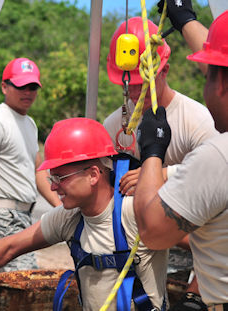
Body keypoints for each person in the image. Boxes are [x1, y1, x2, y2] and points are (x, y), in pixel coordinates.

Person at [0, 117, 169, 311]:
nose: (53, 186)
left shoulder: (135, 213)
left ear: (93, 175)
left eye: (60, 177)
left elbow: (197, 240)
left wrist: (192, 297)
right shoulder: (69, 217)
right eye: (52, 177)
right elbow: (8, 247)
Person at [104, 16, 218, 309]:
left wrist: (162, 173)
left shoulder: (197, 120)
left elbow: (216, 189)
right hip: (135, 251)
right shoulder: (115, 125)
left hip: (196, 250)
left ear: (164, 69)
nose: (131, 92)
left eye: (140, 83)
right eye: (125, 84)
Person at [134, 10, 228, 311]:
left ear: (222, 84)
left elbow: (153, 232)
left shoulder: (217, 157)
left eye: (208, 74)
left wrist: (152, 153)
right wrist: (184, 18)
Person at [0, 58, 61, 272]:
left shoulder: (29, 123)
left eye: (32, 86)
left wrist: (62, 208)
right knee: (20, 281)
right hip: (0, 217)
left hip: (23, 216)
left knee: (10, 286)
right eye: (21, 85)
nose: (28, 92)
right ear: (4, 86)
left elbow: (38, 172)